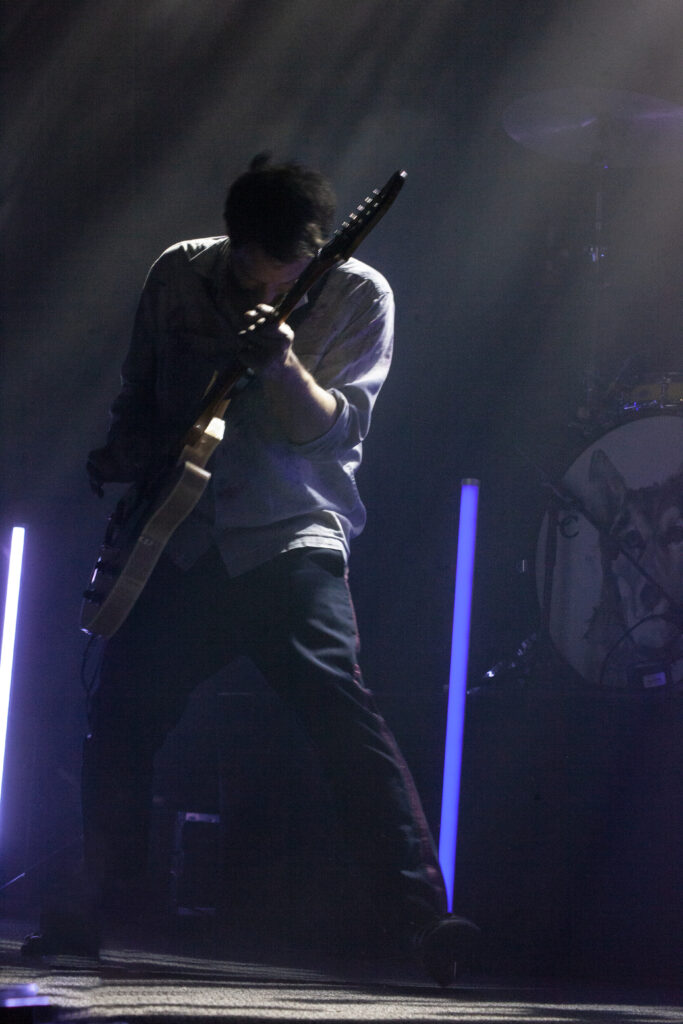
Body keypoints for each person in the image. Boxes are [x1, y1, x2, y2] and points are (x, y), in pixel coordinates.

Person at [23, 156, 478, 985]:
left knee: (343, 719)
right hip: (180, 540)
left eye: (284, 271)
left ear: (316, 250)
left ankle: (423, 924)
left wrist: (282, 364)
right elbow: (140, 395)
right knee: (119, 719)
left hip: (289, 540)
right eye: (248, 267)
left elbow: (328, 433)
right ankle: (87, 910)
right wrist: (120, 454)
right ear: (230, 238)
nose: (262, 283)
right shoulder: (178, 273)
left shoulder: (359, 294)